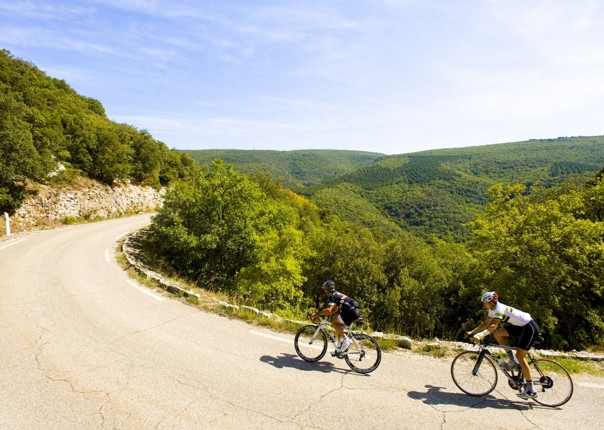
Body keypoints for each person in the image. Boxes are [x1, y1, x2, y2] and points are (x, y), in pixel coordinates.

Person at [464, 291, 541, 399]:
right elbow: (486, 324)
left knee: (521, 356)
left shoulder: (499, 308)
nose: (483, 304)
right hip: (521, 326)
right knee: (498, 334)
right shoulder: (492, 309)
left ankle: (531, 390)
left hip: (529, 327)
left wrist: (480, 335)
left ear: (490, 302)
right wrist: (472, 332)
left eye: (484, 302)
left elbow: (493, 325)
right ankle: (512, 360)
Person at [311, 280, 361, 354]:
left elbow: (329, 310)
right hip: (355, 311)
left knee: (334, 323)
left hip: (351, 311)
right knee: (339, 326)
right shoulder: (337, 294)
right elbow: (334, 309)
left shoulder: (332, 295)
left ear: (327, 289)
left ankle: (346, 339)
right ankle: (339, 349)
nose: (324, 290)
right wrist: (323, 314)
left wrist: (317, 314)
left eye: (325, 289)